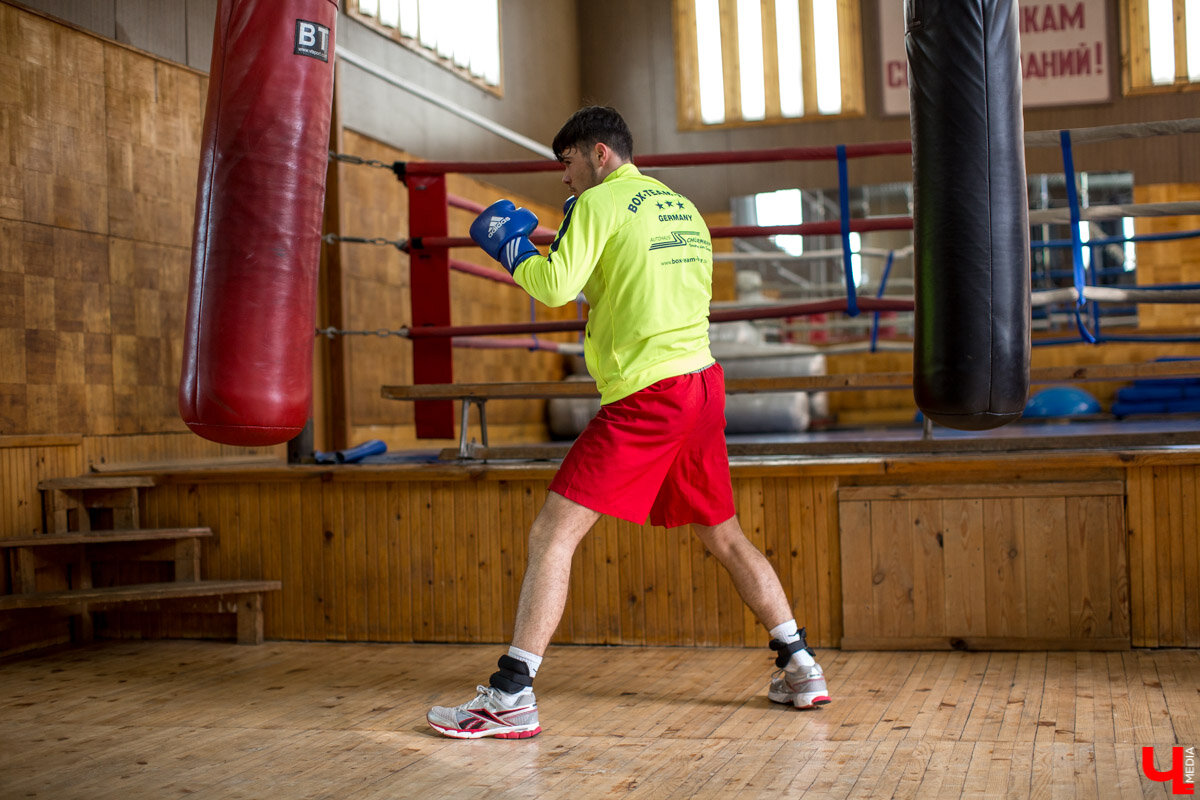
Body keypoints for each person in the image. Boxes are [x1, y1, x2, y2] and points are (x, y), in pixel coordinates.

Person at [426, 106, 830, 740]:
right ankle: (800, 663)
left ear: (598, 154)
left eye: (567, 163)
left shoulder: (599, 203)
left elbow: (557, 287)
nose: (564, 179)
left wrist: (512, 249)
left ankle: (511, 693)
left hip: (649, 397)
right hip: (702, 386)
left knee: (551, 535)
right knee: (721, 534)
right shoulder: (682, 209)